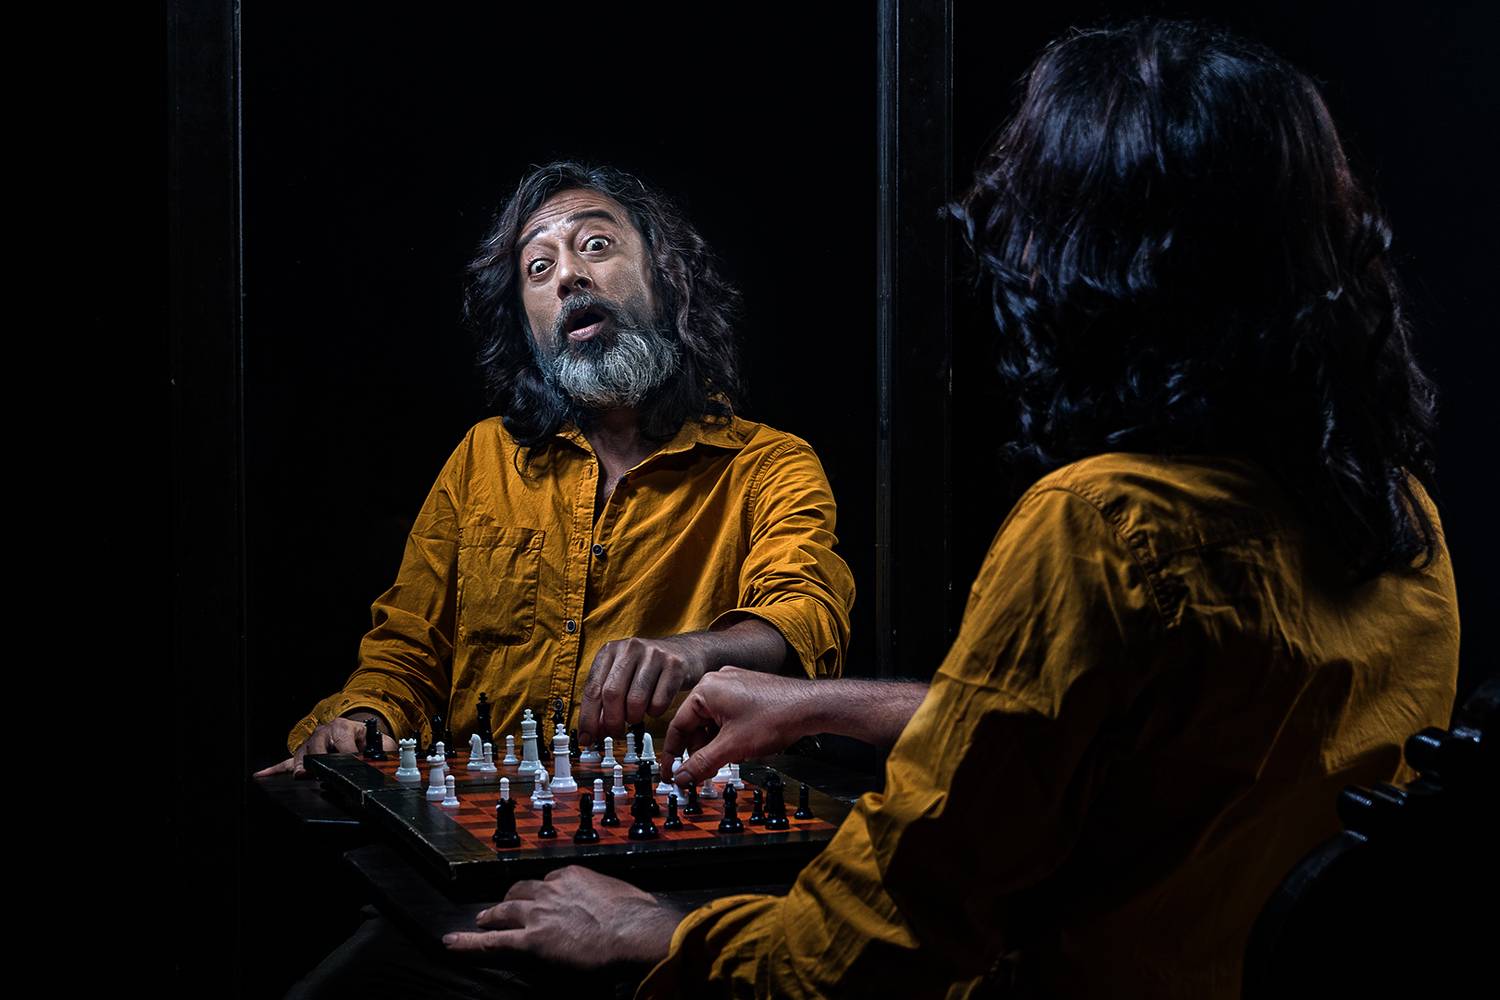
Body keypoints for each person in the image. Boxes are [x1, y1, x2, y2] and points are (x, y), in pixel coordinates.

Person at [444, 20, 1460, 997]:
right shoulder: (1404, 522)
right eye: (540, 265)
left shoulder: (1101, 528)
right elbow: (1123, 742)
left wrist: (653, 930)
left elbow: (863, 953)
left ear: (1101, 261)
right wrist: (828, 704)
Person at [256, 162, 855, 779]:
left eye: (596, 245)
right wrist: (365, 720)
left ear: (666, 277)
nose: (568, 275)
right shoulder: (481, 459)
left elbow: (803, 617)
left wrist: (696, 651)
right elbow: (410, 647)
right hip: (491, 809)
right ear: (527, 325)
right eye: (538, 268)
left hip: (672, 805)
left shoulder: (768, 464)